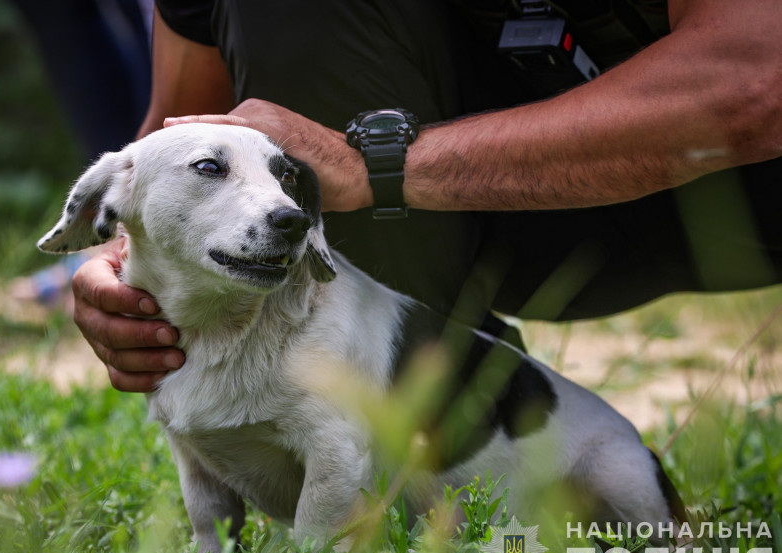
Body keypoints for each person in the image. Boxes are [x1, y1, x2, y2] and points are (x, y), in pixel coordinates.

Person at [69, 0, 782, 393]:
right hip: (488, 219)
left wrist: (377, 164)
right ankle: (429, 450)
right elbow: (189, 130)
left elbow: (756, 81)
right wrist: (123, 269)